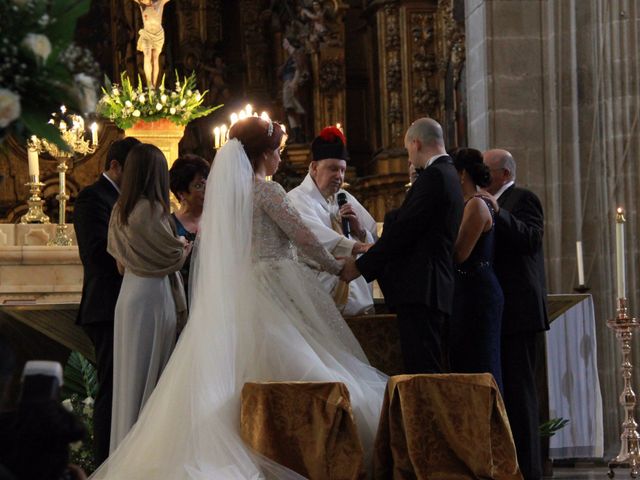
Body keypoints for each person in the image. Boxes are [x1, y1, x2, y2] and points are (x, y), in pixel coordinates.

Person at [90, 117, 386, 478]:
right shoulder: (267, 191)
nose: (279, 158)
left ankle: (254, 442)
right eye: (276, 151)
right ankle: (291, 448)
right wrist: (337, 266)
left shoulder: (227, 194)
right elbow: (303, 237)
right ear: (263, 154)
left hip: (244, 286)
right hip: (273, 286)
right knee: (307, 368)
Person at [341, 118, 464, 374]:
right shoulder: (450, 173)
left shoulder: (434, 176)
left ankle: (425, 415)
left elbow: (403, 232)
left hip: (423, 289)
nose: (410, 157)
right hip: (433, 286)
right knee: (429, 369)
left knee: (423, 373)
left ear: (416, 143)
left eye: (408, 150)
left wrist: (361, 267)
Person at [107, 143, 191, 453]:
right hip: (154, 296)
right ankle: (149, 452)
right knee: (155, 376)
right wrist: (183, 246)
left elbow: (120, 263)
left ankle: (125, 449)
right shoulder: (154, 210)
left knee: (130, 375)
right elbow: (171, 257)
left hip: (130, 295)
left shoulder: (120, 210)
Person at [73, 137, 140, 464]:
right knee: (112, 391)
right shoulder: (92, 198)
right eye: (134, 170)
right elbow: (97, 254)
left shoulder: (132, 199)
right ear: (114, 166)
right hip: (107, 305)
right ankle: (104, 466)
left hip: (132, 303)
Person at [483, 148, 549, 480]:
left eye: (487, 170)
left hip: (520, 312)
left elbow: (532, 238)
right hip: (503, 311)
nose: (483, 176)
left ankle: (531, 470)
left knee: (522, 394)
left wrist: (499, 212)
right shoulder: (491, 202)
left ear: (504, 174)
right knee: (509, 390)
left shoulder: (524, 199)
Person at [288, 126, 377, 316]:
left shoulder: (345, 197)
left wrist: (360, 232)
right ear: (314, 167)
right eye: (333, 169)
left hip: (358, 300)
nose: (339, 176)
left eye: (343, 170)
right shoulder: (296, 199)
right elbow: (313, 236)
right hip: (320, 297)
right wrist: (359, 247)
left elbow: (370, 235)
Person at [448, 148, 504, 391]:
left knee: (481, 365)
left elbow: (460, 253)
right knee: (465, 364)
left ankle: (488, 426)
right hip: (466, 291)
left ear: (461, 174)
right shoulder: (465, 204)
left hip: (477, 294)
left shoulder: (476, 206)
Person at [169, 154, 210, 302]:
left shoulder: (216, 223)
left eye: (207, 184)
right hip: (180, 299)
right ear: (181, 193)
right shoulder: (169, 225)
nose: (206, 191)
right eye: (198, 186)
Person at [132, 0, 171, 88]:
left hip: (158, 35)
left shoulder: (160, 2)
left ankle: (154, 83)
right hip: (147, 34)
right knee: (147, 54)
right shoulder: (142, 5)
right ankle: (149, 84)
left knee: (155, 57)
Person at [279, 36, 308, 144]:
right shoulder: (289, 56)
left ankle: (300, 134)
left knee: (294, 108)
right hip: (287, 83)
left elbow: (299, 69)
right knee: (290, 110)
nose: (283, 43)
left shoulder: (297, 54)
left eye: (284, 41)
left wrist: (294, 83)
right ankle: (296, 134)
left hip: (291, 84)